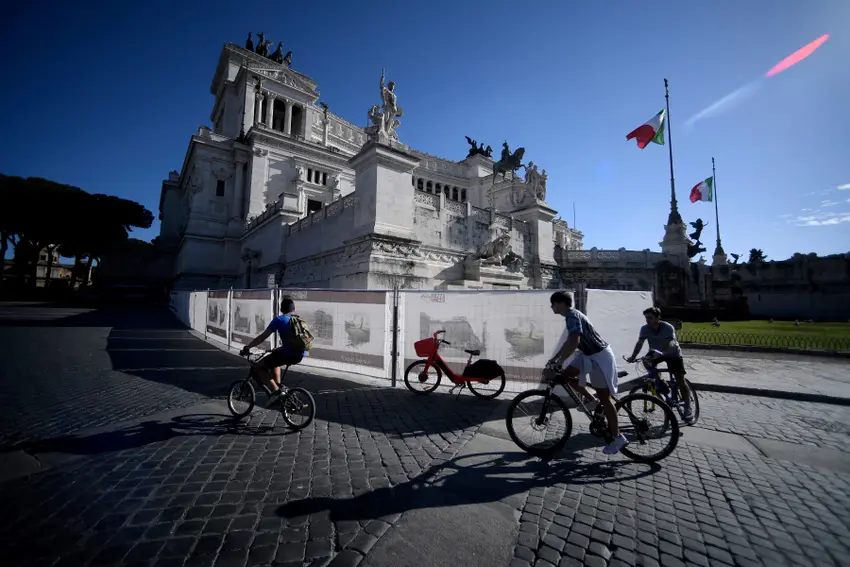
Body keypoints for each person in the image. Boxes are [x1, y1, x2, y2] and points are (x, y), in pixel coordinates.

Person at [545, 291, 629, 455]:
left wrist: (559, 361)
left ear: (561, 303)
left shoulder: (572, 316)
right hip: (588, 355)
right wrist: (555, 359)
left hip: (599, 357)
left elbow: (575, 340)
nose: (551, 307)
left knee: (605, 398)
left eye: (553, 303)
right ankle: (591, 400)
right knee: (566, 377)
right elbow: (570, 342)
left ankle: (617, 437)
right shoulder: (572, 315)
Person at [626, 307, 693, 421]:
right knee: (645, 360)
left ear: (658, 317)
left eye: (650, 318)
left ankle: (688, 406)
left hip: (672, 353)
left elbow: (670, 343)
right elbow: (640, 343)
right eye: (646, 318)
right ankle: (659, 381)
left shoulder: (667, 327)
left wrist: (662, 353)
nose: (647, 320)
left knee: (680, 379)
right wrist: (633, 356)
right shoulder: (645, 328)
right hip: (655, 352)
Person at [239, 295, 307, 407]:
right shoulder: (298, 319)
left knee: (259, 366)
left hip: (288, 354)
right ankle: (279, 386)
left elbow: (262, 337)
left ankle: (276, 392)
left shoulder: (279, 320)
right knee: (275, 359)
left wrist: (248, 347)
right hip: (299, 354)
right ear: (293, 309)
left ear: (281, 310)